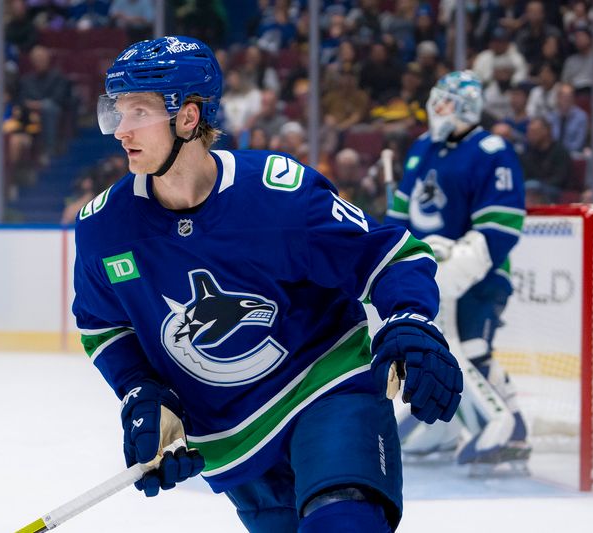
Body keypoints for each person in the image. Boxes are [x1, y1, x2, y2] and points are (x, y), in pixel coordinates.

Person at [72, 36, 463, 532]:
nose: (121, 130)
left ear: (188, 118)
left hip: (328, 391)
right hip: (231, 441)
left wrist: (409, 317)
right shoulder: (104, 228)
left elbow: (389, 256)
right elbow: (104, 327)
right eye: (117, 112)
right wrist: (142, 391)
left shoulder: (278, 194)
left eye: (139, 112)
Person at [385, 71, 530, 472]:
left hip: (479, 273)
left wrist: (466, 259)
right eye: (437, 99)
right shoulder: (422, 148)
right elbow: (400, 214)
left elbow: (501, 223)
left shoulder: (491, 149)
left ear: (466, 105)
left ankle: (511, 428)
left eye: (446, 101)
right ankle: (443, 428)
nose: (437, 108)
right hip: (428, 271)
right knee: (432, 349)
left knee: (472, 349)